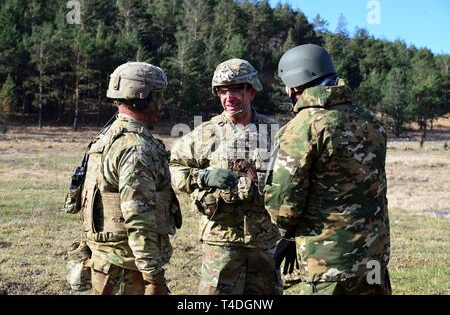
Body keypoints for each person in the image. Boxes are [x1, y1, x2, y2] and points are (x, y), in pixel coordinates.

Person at [265, 44, 391, 295]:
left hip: (329, 265)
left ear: (295, 86)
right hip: (374, 258)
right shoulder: (369, 120)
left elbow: (283, 210)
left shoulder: (304, 127)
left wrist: (288, 232)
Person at [64, 62, 181, 295]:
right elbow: (138, 217)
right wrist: (153, 277)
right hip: (127, 270)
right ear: (144, 97)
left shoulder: (106, 138)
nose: (161, 103)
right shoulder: (136, 148)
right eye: (158, 96)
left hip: (106, 262)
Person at [169, 58, 282, 295]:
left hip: (264, 241)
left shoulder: (275, 133)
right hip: (220, 240)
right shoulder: (204, 134)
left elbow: (294, 178)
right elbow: (175, 167)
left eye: (236, 90)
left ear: (251, 91)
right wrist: (202, 177)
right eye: (223, 91)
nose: (229, 98)